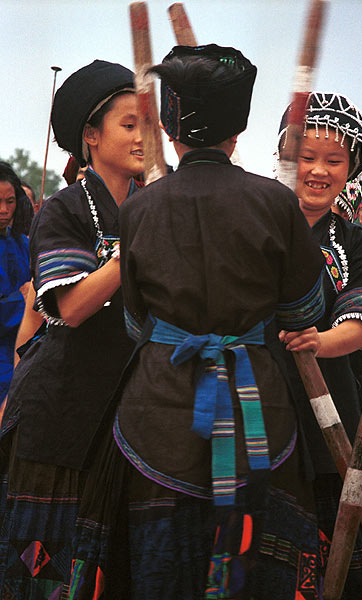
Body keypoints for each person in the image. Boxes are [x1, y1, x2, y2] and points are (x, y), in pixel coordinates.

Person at [68, 44, 326, 599]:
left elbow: (137, 321)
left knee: (162, 568)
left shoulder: (138, 208)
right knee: (253, 566)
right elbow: (304, 311)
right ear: (239, 130)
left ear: (173, 131)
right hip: (259, 404)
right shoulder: (275, 203)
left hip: (155, 413)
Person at [0, 59, 144, 596]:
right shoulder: (61, 211)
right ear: (90, 135)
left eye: (147, 126)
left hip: (129, 414)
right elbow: (71, 307)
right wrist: (131, 253)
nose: (140, 138)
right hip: (61, 411)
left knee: (112, 572)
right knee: (46, 573)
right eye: (128, 125)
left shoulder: (152, 204)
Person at [277, 92, 362, 598]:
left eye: (333, 160)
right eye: (307, 157)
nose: (318, 171)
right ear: (286, 159)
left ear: (351, 169)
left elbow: (361, 325)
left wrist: (317, 341)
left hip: (329, 404)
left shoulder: (357, 244)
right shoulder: (258, 221)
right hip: (257, 396)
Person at [0, 162, 30, 410]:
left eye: (10, 201)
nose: (4, 210)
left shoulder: (23, 243)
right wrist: (23, 299)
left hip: (21, 354)